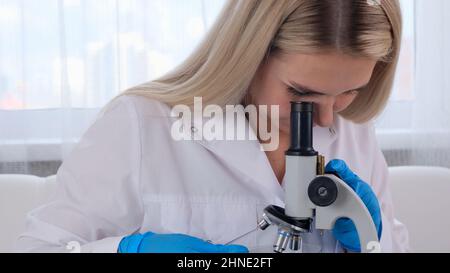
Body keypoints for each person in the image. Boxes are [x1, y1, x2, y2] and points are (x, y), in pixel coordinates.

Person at [16, 0, 409, 253]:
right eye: (302, 92)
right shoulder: (142, 125)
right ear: (249, 54)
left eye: (349, 92)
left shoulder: (354, 132)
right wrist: (126, 251)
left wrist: (375, 243)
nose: (326, 118)